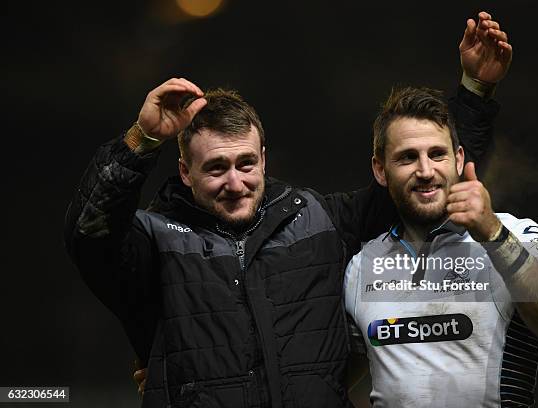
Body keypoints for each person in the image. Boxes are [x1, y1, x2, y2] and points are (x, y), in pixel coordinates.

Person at [65, 12, 512, 408]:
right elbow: (89, 235)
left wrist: (474, 92)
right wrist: (140, 141)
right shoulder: (153, 240)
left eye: (246, 163)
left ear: (264, 159)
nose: (235, 182)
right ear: (185, 171)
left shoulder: (317, 220)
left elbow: (422, 185)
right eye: (216, 168)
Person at [343, 86, 538, 408]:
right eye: (407, 157)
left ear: (458, 159)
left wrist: (491, 233)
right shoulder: (361, 266)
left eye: (437, 154)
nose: (426, 171)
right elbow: (331, 379)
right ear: (380, 170)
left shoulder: (514, 233)